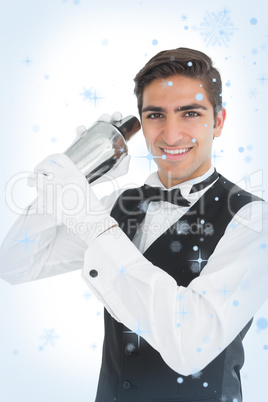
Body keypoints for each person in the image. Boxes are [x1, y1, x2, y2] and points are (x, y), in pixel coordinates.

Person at [0, 47, 267, 402]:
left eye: (190, 113)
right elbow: (16, 263)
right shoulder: (121, 204)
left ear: (217, 122)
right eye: (156, 115)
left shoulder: (253, 220)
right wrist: (78, 174)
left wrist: (91, 219)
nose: (171, 135)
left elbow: (191, 346)